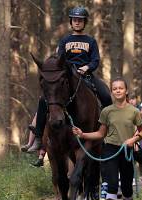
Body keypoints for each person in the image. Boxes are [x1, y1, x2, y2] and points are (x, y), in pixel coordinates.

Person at [29, 6, 112, 166]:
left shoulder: (90, 41)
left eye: (80, 20)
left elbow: (95, 60)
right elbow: (58, 58)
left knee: (106, 95)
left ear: (84, 22)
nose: (77, 22)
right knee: (44, 100)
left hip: (85, 75)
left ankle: (109, 131)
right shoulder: (65, 41)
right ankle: (39, 137)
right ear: (71, 22)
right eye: (75, 20)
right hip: (66, 77)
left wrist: (86, 67)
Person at [72, 78, 142, 200]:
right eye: (114, 88)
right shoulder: (106, 111)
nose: (118, 90)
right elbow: (100, 133)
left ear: (126, 91)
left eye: (120, 88)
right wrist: (82, 134)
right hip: (109, 150)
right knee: (111, 185)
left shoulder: (134, 111)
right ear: (111, 92)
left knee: (126, 188)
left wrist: (133, 139)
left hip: (126, 151)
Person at [128, 94, 142, 186]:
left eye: (133, 99)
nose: (132, 101)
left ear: (136, 99)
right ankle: (132, 177)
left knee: (140, 153)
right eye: (130, 99)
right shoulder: (126, 108)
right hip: (129, 135)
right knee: (131, 155)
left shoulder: (141, 109)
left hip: (140, 135)